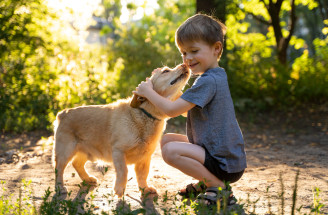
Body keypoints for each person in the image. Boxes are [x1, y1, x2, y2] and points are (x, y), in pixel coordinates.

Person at [133, 14, 247, 206]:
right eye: (184, 53)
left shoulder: (208, 81)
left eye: (194, 51)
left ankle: (218, 187)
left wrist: (149, 92)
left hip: (224, 162)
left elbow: (172, 111)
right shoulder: (214, 77)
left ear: (216, 48)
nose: (188, 58)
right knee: (167, 139)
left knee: (169, 151)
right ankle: (206, 181)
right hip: (221, 152)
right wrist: (163, 83)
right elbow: (187, 109)